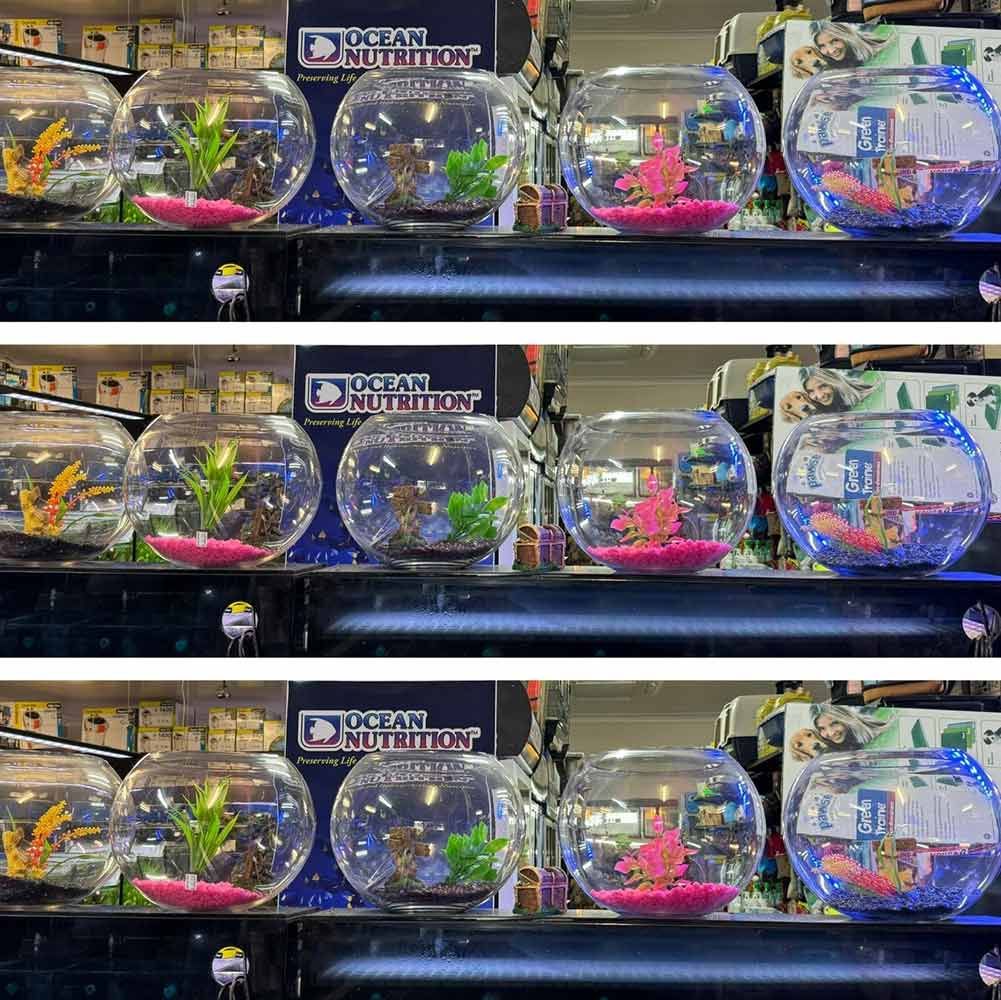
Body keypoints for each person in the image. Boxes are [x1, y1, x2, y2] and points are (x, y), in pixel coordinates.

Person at [810, 704, 891, 750]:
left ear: (846, 718)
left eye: (835, 723)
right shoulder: (828, 747)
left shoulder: (872, 736)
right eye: (822, 728)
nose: (831, 733)